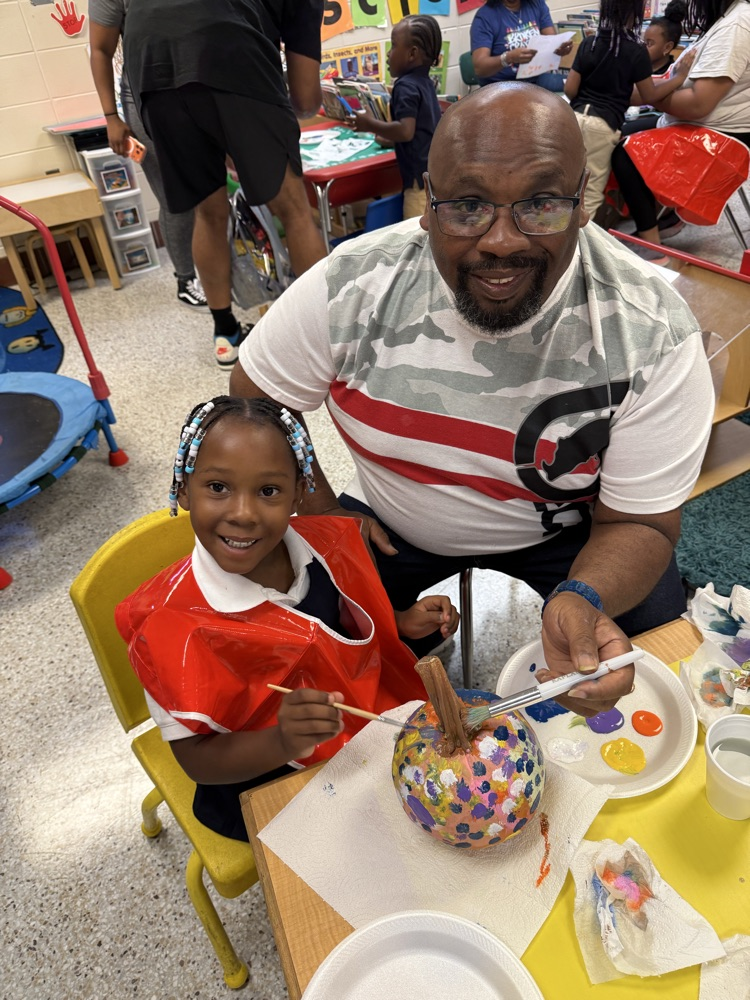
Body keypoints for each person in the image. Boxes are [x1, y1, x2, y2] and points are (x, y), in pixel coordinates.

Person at [230, 83, 716, 720]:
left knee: (651, 641)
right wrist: (324, 511)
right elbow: (256, 401)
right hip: (394, 525)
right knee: (290, 645)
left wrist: (585, 594)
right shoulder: (353, 284)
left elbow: (642, 523)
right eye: (467, 206)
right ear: (427, 204)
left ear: (584, 202)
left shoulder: (651, 330)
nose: (502, 241)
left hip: (570, 534)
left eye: (541, 203)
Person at [115, 396, 459, 841]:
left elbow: (341, 620)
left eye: (268, 491)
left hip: (362, 734)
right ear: (183, 488)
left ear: (298, 493)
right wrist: (282, 740)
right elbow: (198, 760)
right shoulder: (163, 626)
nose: (243, 514)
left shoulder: (330, 545)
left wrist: (401, 621)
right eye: (218, 487)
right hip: (269, 778)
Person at [122, 0, 328, 369]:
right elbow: (306, 98)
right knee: (294, 209)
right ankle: (323, 336)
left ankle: (225, 335)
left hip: (150, 64)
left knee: (208, 211)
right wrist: (259, 116)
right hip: (230, 50)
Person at [89, 0, 207, 310]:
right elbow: (100, 50)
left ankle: (222, 268)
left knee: (215, 191)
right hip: (146, 98)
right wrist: (111, 117)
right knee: (175, 196)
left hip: (204, 87)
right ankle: (185, 279)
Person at [611, 0, 750, 261]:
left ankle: (653, 248)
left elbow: (698, 103)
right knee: (617, 132)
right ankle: (666, 216)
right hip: (696, 125)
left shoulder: (737, 25)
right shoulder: (726, 21)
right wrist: (619, 90)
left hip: (718, 138)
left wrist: (646, 95)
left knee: (624, 153)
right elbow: (678, 81)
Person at [564, 0, 694, 219]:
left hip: (573, 119)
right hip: (603, 126)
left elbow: (570, 89)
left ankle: (557, 230)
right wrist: (679, 78)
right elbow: (649, 95)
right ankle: (580, 238)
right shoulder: (636, 50)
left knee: (567, 181)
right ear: (636, 13)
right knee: (591, 192)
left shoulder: (589, 43)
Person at [348, 15, 442, 219]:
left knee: (416, 232)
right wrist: (390, 139)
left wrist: (369, 124)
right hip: (433, 174)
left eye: (393, 45)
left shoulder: (405, 86)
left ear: (412, 54)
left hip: (418, 185)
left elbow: (406, 131)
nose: (388, 54)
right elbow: (421, 132)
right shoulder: (426, 83)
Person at [470, 0, 574, 91]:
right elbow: (480, 68)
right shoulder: (485, 16)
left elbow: (551, 40)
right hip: (502, 86)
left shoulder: (536, 4)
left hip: (536, 79)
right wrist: (508, 58)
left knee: (575, 86)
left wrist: (560, 48)